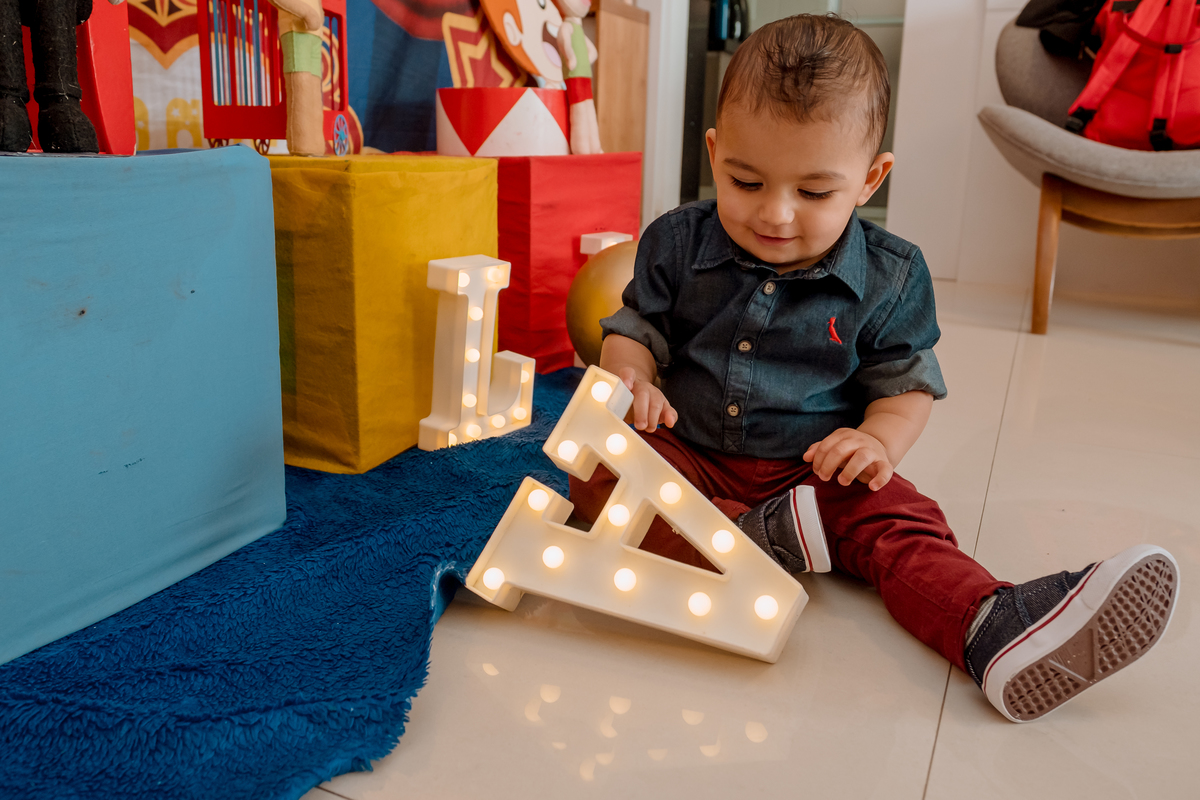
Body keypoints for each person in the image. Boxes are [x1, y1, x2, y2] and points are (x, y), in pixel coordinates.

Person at [570, 13, 1178, 723]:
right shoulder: (676, 240)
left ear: (870, 178)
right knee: (595, 466)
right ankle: (749, 538)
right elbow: (636, 325)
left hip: (811, 476)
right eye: (746, 180)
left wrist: (875, 443)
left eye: (815, 192)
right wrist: (630, 374)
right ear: (714, 153)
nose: (776, 213)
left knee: (898, 517)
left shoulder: (892, 277)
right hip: (689, 455)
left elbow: (904, 386)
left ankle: (992, 626)